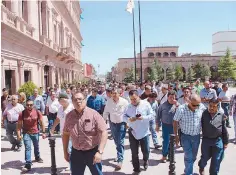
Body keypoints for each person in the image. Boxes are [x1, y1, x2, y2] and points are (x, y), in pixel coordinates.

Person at [62, 92, 108, 175]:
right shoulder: (69, 116)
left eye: (80, 99)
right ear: (72, 102)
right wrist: (65, 151)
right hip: (76, 153)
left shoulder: (94, 114)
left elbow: (104, 132)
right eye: (75, 100)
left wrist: (100, 152)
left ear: (85, 100)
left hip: (92, 152)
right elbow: (65, 133)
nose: (78, 101)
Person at [173, 94, 206, 175]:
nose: (196, 107)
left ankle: (187, 170)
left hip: (196, 137)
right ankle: (189, 173)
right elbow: (175, 121)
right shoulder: (181, 109)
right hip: (185, 136)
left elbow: (209, 112)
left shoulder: (201, 106)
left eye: (197, 105)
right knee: (188, 157)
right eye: (194, 105)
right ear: (188, 101)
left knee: (193, 157)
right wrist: (176, 135)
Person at [124, 90, 154, 173]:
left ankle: (145, 160)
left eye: (134, 99)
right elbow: (123, 116)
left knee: (146, 151)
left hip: (144, 132)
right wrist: (128, 119)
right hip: (133, 132)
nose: (133, 101)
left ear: (138, 97)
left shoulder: (146, 104)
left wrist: (143, 118)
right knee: (134, 153)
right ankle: (136, 169)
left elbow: (152, 115)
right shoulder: (128, 106)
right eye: (131, 99)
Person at [198, 99, 229, 175]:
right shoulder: (204, 114)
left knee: (216, 160)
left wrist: (225, 142)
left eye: (214, 106)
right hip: (206, 140)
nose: (211, 108)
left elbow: (224, 130)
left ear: (217, 107)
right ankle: (201, 167)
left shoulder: (221, 115)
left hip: (217, 141)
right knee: (204, 158)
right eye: (210, 106)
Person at [16, 99, 46, 172]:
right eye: (27, 105)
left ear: (33, 105)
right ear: (25, 105)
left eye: (31, 105)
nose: (29, 106)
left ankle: (37, 157)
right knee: (28, 147)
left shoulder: (37, 112)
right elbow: (19, 125)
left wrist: (44, 132)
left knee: (36, 146)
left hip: (35, 132)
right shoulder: (22, 113)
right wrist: (18, 135)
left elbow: (42, 122)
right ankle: (28, 164)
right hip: (26, 133)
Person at [103, 88, 129, 169]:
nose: (113, 95)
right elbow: (106, 112)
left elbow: (128, 113)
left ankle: (120, 160)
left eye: (115, 93)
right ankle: (119, 154)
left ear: (119, 94)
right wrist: (104, 121)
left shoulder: (124, 102)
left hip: (122, 123)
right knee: (116, 140)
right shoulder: (109, 101)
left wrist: (128, 123)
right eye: (112, 93)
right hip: (112, 123)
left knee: (120, 141)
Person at [50, 93, 74, 171]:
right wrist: (53, 128)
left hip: (72, 132)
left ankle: (72, 165)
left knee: (70, 149)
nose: (62, 102)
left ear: (67, 99)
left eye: (63, 100)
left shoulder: (72, 107)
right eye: (60, 101)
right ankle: (72, 164)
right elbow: (58, 119)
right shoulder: (60, 108)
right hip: (64, 132)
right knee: (67, 149)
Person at [156, 90, 179, 163]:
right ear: (167, 97)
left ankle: (171, 157)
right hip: (165, 125)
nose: (172, 99)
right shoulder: (163, 105)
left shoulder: (177, 105)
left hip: (174, 126)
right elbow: (158, 116)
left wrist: (177, 105)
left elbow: (182, 114)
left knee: (173, 142)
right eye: (170, 97)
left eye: (173, 97)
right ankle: (164, 156)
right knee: (166, 141)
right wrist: (157, 125)